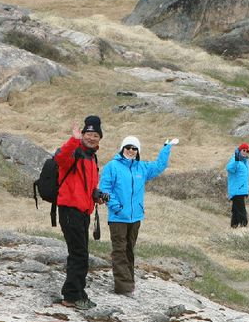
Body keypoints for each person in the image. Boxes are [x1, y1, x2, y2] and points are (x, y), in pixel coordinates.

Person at [98, 134, 176, 295]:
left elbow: (160, 166)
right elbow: (105, 189)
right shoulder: (112, 166)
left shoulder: (142, 168)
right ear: (122, 149)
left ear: (138, 151)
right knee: (119, 250)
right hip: (118, 217)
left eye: (134, 148)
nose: (131, 151)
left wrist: (166, 148)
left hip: (135, 218)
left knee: (129, 250)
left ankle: (129, 281)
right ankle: (123, 287)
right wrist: (116, 206)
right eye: (128, 147)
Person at [54, 115, 106, 310]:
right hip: (70, 210)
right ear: (83, 134)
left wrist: (97, 195)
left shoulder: (92, 157)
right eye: (89, 134)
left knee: (80, 254)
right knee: (79, 255)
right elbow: (60, 158)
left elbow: (89, 186)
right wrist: (74, 139)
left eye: (96, 135)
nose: (92, 138)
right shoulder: (74, 152)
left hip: (83, 212)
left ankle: (78, 292)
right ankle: (71, 296)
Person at [226, 143, 249, 228]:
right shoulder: (235, 159)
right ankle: (244, 225)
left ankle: (234, 225)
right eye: (243, 150)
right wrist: (236, 161)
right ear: (240, 150)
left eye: (247, 151)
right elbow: (230, 169)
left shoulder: (245, 162)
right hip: (237, 190)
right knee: (241, 209)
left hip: (242, 189)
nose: (245, 152)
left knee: (236, 209)